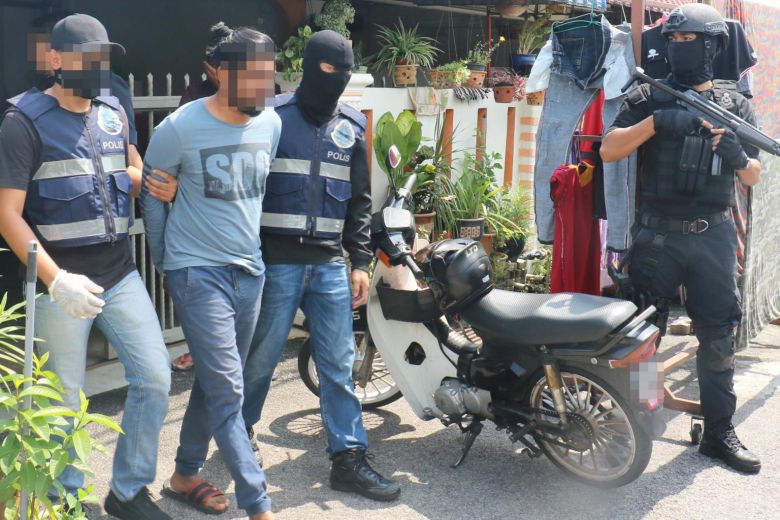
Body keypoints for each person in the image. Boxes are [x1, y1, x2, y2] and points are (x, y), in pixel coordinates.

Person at [0, 14, 172, 519]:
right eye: (85, 58)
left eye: (102, 58)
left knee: (155, 377)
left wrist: (152, 183)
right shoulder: (22, 121)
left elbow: (131, 168)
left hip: (119, 272)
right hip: (62, 281)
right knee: (65, 402)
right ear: (55, 60)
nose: (96, 68)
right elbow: (6, 213)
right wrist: (56, 282)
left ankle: (127, 492)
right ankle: (64, 502)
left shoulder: (113, 110)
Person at [601, 4, 761, 474]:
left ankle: (717, 433)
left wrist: (734, 153)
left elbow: (753, 175)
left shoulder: (735, 103)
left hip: (712, 237)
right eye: (673, 41)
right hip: (656, 236)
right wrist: (657, 122)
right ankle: (639, 419)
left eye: (690, 41)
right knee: (638, 338)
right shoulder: (650, 94)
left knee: (717, 338)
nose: (678, 48)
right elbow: (608, 149)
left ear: (713, 45)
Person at [241, 30, 401, 501]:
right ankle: (240, 435)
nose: (336, 79)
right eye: (330, 69)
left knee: (339, 364)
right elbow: (248, 193)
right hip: (277, 263)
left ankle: (348, 458)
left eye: (345, 72)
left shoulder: (351, 125)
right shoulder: (272, 118)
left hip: (330, 264)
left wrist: (359, 261)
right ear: (310, 67)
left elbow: (360, 201)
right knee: (261, 360)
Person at [140, 22, 279, 519]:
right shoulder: (177, 128)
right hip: (196, 272)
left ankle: (184, 473)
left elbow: (249, 195)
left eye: (272, 75)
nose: (268, 87)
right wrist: (164, 262)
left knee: (219, 382)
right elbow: (152, 201)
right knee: (229, 391)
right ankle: (258, 504)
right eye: (257, 77)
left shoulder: (271, 124)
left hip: (250, 273)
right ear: (222, 73)